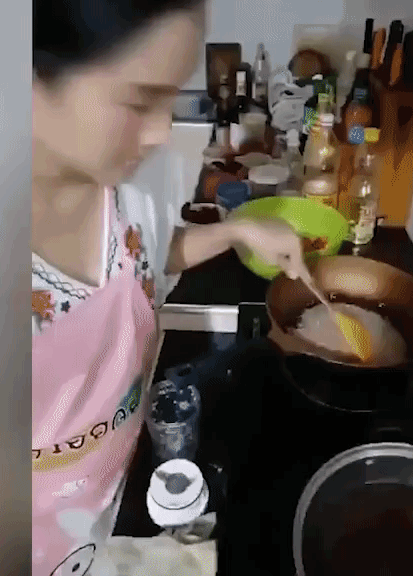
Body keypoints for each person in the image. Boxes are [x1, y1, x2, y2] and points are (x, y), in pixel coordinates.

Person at [32, 0, 310, 573]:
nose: (162, 131)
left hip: (105, 508)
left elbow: (150, 256)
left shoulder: (128, 193)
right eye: (139, 100)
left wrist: (236, 231)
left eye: (170, 98)